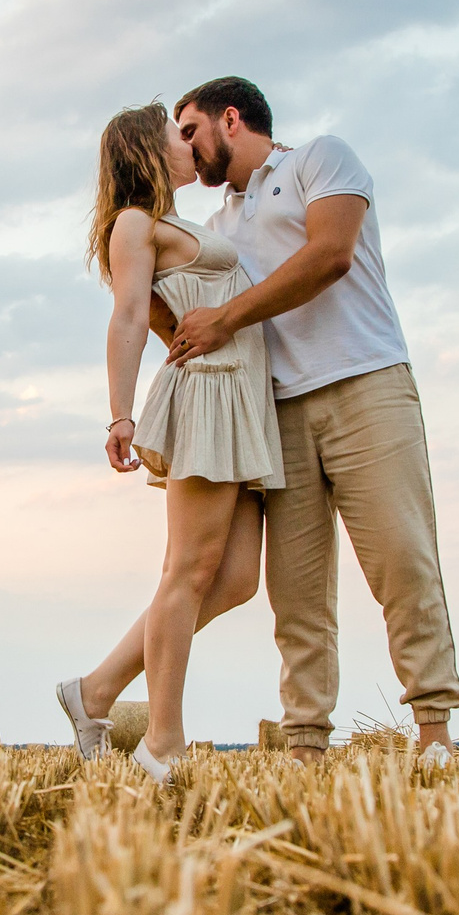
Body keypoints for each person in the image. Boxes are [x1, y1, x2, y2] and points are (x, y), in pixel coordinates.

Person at [164, 77, 459, 764]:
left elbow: (331, 254)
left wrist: (228, 317)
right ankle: (304, 743)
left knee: (402, 559)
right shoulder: (214, 229)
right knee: (295, 590)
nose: (186, 148)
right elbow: (180, 314)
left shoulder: (320, 160)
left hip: (366, 383)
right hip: (278, 411)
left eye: (189, 130)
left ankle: (434, 729)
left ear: (229, 118)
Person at [55, 103, 285, 782]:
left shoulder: (177, 223)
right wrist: (119, 415)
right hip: (210, 399)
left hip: (237, 401)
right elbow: (128, 315)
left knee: (237, 579)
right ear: (147, 152)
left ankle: (94, 690)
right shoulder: (134, 224)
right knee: (185, 573)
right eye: (176, 137)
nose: (190, 145)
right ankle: (163, 740)